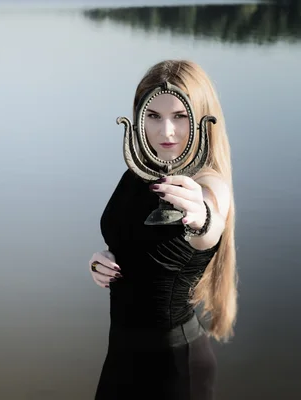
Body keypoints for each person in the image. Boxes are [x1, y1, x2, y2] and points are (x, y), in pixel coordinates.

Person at [89, 60, 238, 399]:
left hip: (174, 367)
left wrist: (200, 215)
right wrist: (102, 262)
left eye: (180, 116)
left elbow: (209, 224)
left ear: (201, 118)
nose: (166, 132)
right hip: (122, 353)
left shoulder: (207, 183)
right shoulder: (138, 174)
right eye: (153, 116)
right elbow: (131, 240)